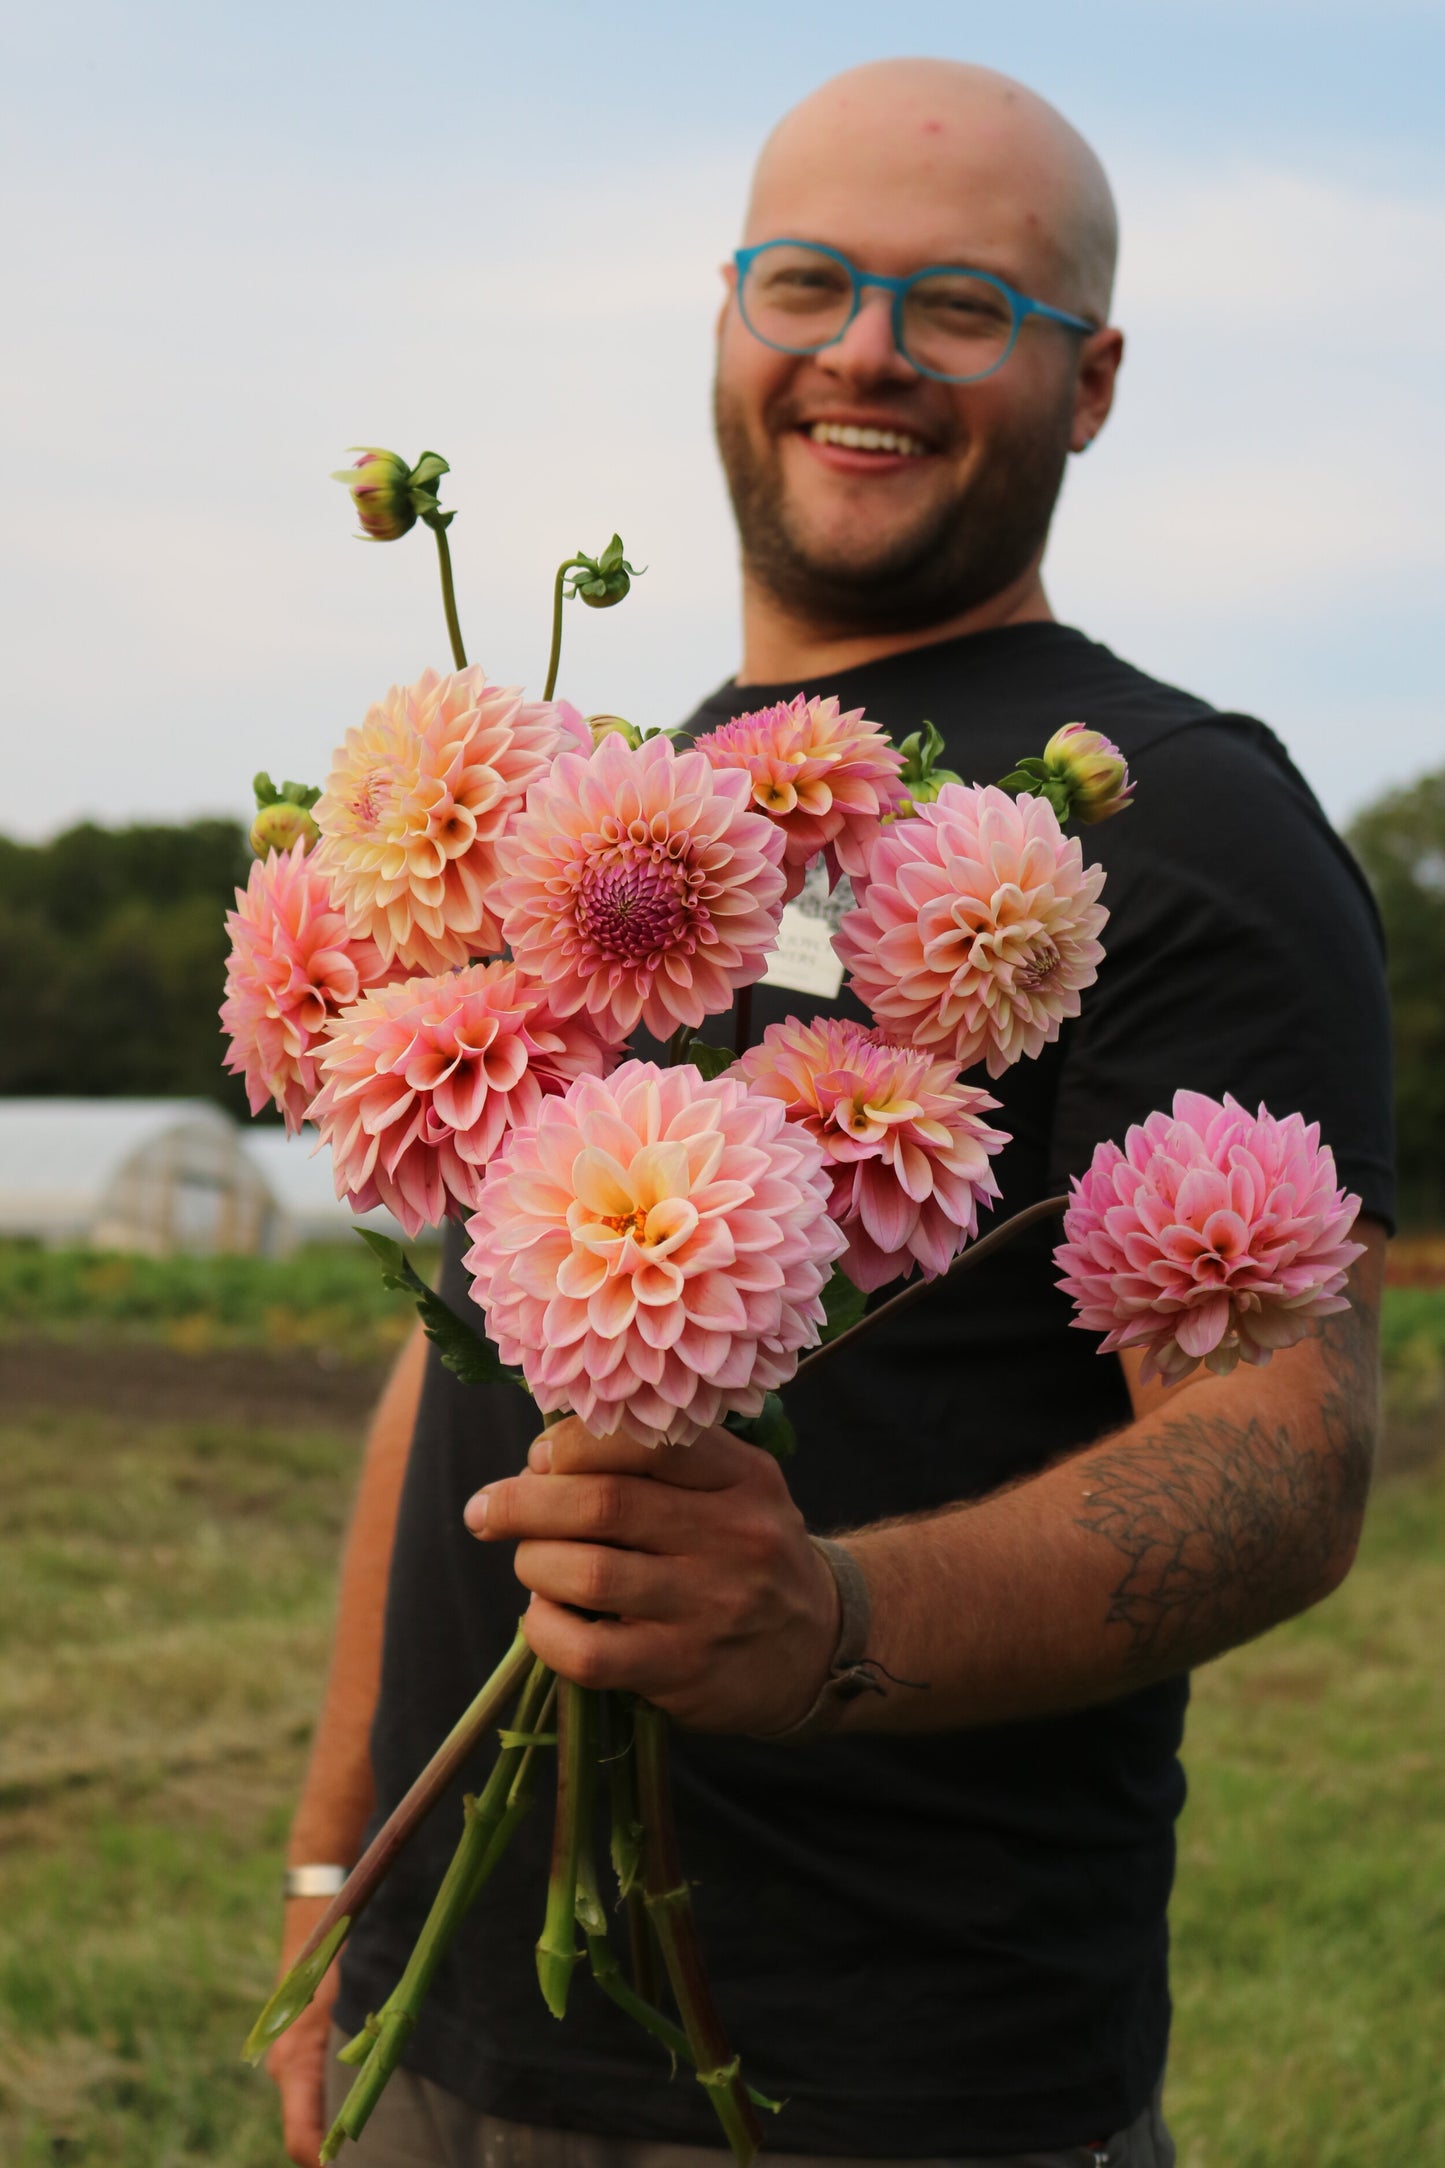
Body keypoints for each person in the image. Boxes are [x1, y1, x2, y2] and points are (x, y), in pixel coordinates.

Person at [270, 57, 1394, 2168]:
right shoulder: (616, 798)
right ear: (727, 321)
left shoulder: (1186, 822)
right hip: (454, 2050)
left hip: (882, 2089)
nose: (865, 346)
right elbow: (447, 1373)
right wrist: (344, 1864)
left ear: (1095, 379)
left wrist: (837, 1627)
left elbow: (1285, 1444)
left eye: (965, 303)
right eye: (809, 279)